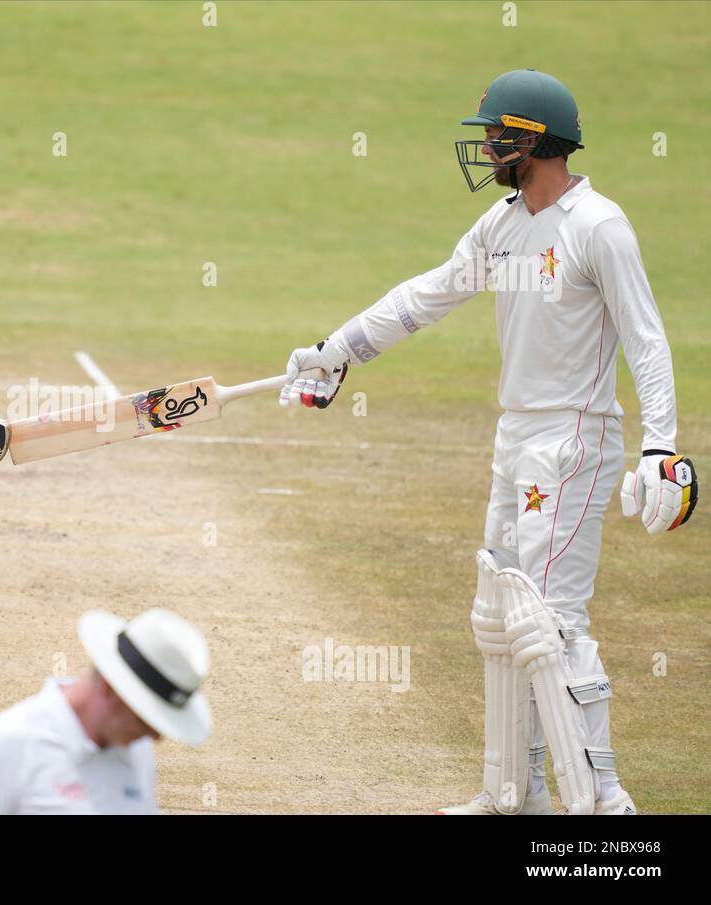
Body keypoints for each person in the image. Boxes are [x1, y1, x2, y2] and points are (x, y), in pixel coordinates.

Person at [280, 69, 695, 815]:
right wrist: (336, 350)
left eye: (498, 135)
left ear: (534, 140)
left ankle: (607, 803)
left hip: (573, 439)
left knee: (552, 620)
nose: (487, 148)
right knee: (501, 615)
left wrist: (660, 446)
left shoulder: (598, 226)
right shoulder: (502, 225)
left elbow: (647, 339)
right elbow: (427, 295)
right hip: (516, 435)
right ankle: (514, 794)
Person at [0, 608, 211, 815]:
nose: (155, 737)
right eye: (146, 718)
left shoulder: (137, 749)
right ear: (110, 688)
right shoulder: (7, 743)